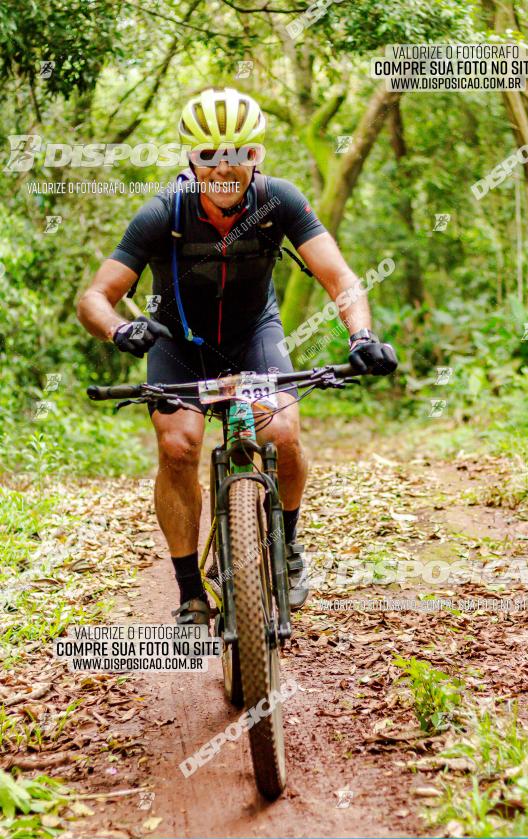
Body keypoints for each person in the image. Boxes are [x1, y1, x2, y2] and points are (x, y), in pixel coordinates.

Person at [77, 87, 398, 626]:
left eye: (240, 155)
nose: (224, 170)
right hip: (179, 345)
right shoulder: (163, 212)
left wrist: (361, 337)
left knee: (283, 433)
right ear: (191, 159)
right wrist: (119, 329)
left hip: (253, 337)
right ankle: (189, 590)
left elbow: (339, 277)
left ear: (257, 156)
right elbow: (94, 298)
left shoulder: (281, 202)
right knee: (178, 446)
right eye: (210, 157)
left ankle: (288, 546)